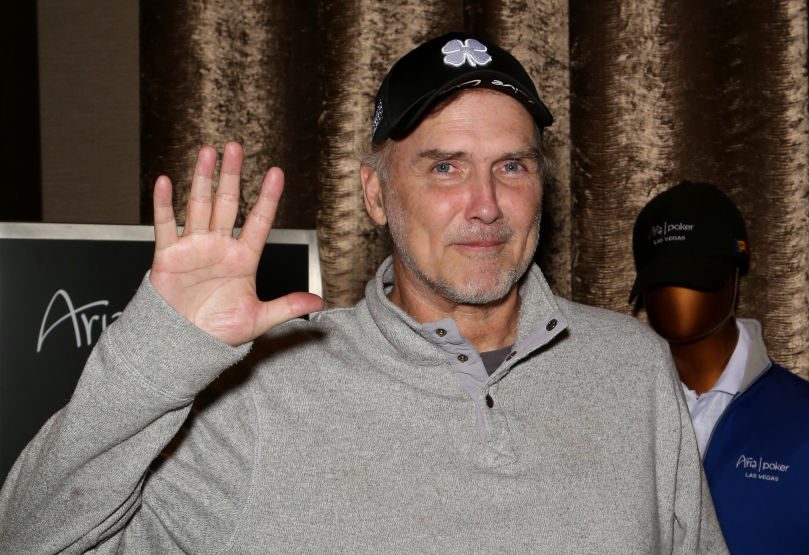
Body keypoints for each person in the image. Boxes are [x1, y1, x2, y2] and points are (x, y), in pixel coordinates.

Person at [0, 33, 725, 553]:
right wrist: (158, 354)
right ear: (375, 194)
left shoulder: (631, 367)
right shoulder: (259, 389)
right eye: (445, 167)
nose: (485, 204)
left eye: (512, 166)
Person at [629, 180, 809, 554]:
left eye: (693, 276)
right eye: (663, 279)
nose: (677, 295)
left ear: (735, 275)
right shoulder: (612, 418)